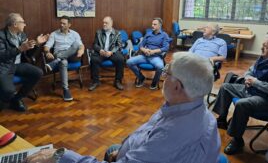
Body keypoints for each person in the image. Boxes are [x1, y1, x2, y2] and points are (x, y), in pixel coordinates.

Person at [26, 52, 221, 163]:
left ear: (178, 86)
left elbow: (159, 142)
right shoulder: (193, 108)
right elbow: (149, 132)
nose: (162, 77)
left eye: (166, 73)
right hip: (133, 153)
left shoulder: (172, 134)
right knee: (112, 148)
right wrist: (123, 152)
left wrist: (60, 155)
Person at [213, 33, 268, 155]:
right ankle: (222, 119)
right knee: (226, 87)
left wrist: (255, 83)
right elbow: (250, 71)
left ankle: (237, 140)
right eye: (263, 45)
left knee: (242, 104)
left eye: (266, 46)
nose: (262, 48)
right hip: (256, 90)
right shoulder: (267, 57)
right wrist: (248, 79)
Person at [0, 13, 48, 112]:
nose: (25, 25)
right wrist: (19, 49)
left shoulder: (22, 34)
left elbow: (29, 54)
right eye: (22, 22)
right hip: (5, 65)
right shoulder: (1, 36)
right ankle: (5, 101)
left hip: (19, 65)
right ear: (15, 24)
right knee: (8, 91)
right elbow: (2, 56)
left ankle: (17, 99)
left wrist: (37, 44)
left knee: (38, 73)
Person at [44, 15, 84, 102]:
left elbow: (81, 45)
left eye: (64, 23)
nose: (61, 25)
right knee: (63, 62)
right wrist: (47, 52)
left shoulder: (75, 34)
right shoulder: (54, 34)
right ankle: (66, 90)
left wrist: (81, 50)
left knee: (76, 45)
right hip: (59, 53)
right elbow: (47, 46)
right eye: (61, 23)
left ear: (69, 25)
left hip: (73, 55)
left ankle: (56, 61)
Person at [126, 18, 170, 90]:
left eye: (155, 24)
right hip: (145, 56)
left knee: (160, 66)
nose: (152, 26)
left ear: (160, 26)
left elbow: (165, 48)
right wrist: (144, 50)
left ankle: (154, 82)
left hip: (155, 57)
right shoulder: (148, 34)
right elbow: (141, 45)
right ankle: (141, 77)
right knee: (129, 62)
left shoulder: (164, 35)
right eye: (152, 24)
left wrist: (154, 51)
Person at [88, 16, 124, 91]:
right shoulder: (98, 32)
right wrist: (100, 50)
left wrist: (111, 52)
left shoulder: (117, 33)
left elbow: (119, 45)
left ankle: (117, 81)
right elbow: (95, 44)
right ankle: (95, 81)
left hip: (111, 52)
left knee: (120, 59)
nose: (104, 24)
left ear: (111, 24)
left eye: (106, 23)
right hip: (101, 52)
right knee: (94, 59)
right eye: (103, 23)